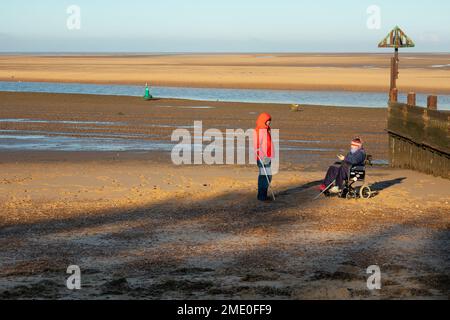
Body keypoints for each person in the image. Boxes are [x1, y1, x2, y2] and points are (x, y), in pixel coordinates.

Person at [254, 112, 274, 201]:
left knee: (266, 176)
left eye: (270, 120)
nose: (269, 122)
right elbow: (256, 144)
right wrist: (259, 153)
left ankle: (262, 195)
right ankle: (262, 196)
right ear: (263, 121)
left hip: (267, 156)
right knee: (266, 176)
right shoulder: (260, 130)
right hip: (263, 157)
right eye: (267, 120)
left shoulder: (265, 129)